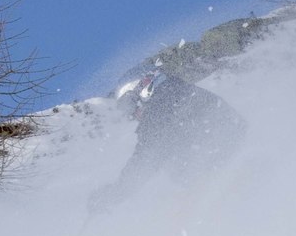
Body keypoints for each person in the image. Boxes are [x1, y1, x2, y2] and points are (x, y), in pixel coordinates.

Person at [90, 61, 245, 211]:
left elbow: (147, 156)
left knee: (181, 217)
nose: (132, 115)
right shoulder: (177, 91)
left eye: (129, 105)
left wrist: (114, 194)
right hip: (226, 162)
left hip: (223, 171)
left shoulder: (162, 104)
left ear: (145, 88)